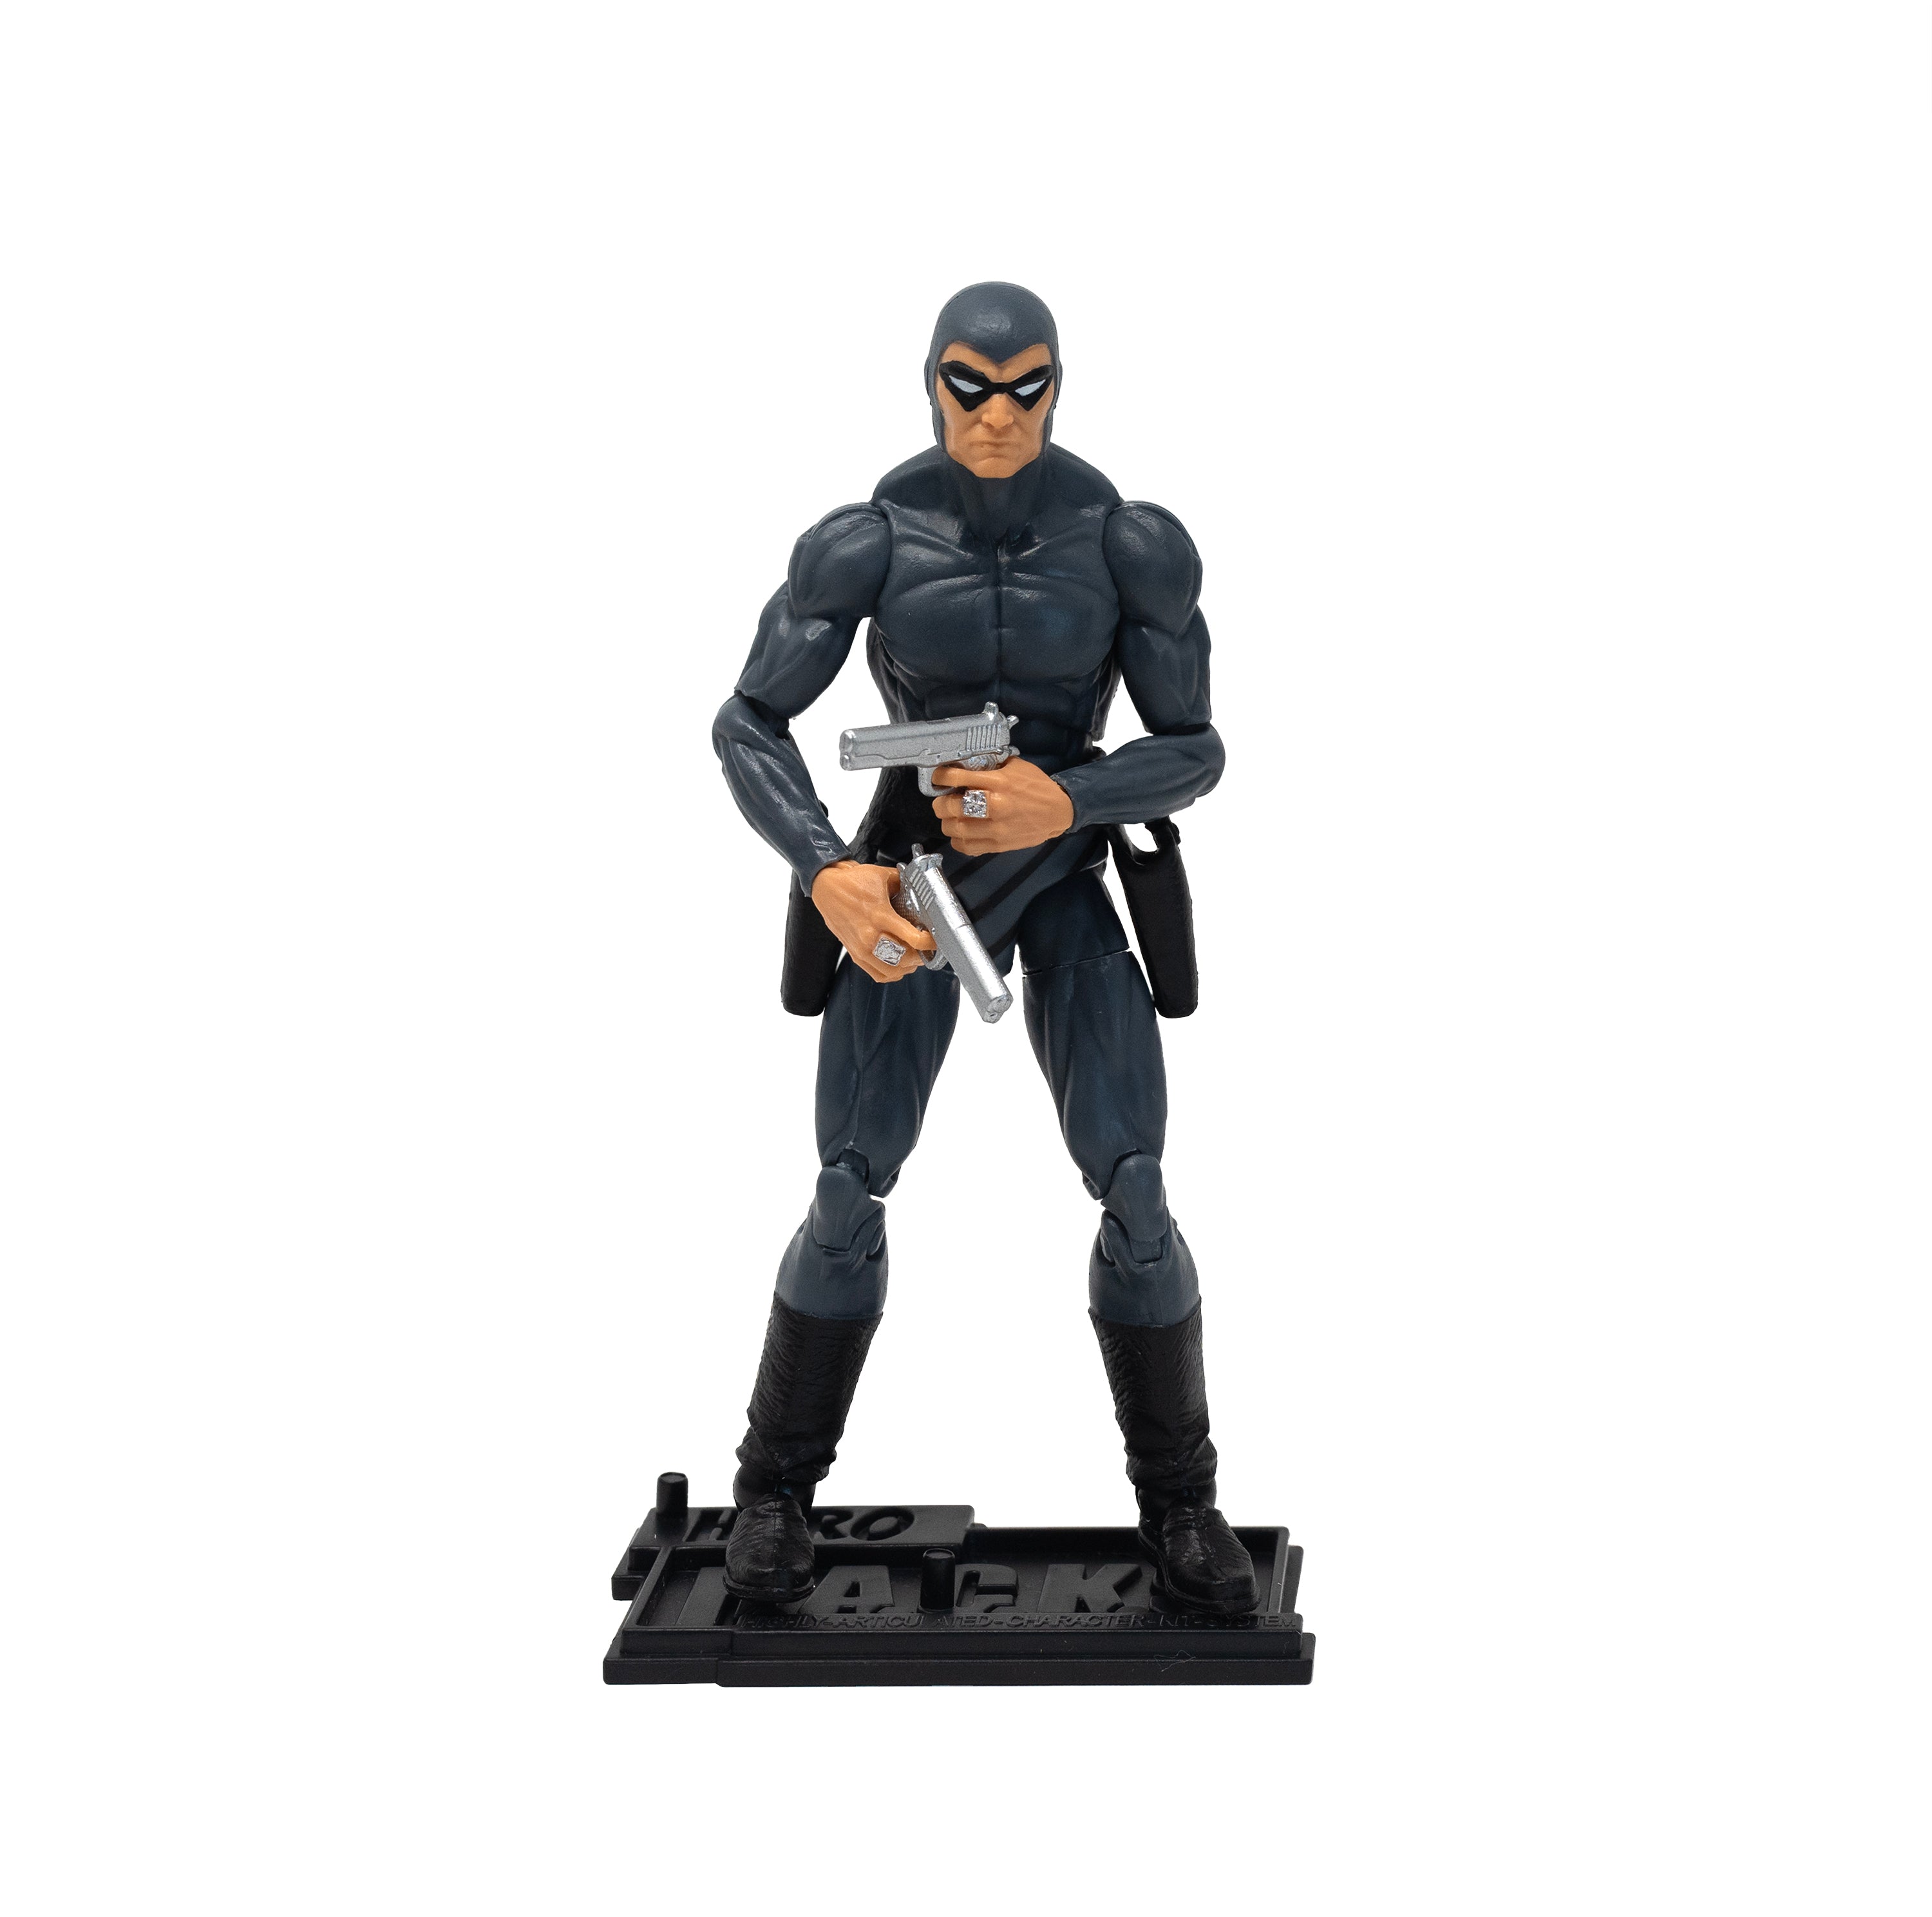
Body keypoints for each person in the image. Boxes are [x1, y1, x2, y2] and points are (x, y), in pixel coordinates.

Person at [711, 282, 1256, 1614]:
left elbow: (1196, 750)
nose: (998, 415)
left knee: (1138, 1192)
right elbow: (746, 721)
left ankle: (1181, 1504)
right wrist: (827, 868)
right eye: (970, 386)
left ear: (1060, 386)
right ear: (930, 384)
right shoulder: (868, 541)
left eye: (1026, 388)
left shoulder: (1128, 543)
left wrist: (1070, 800)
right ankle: (773, 1489)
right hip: (915, 887)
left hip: (1062, 877)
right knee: (848, 1188)